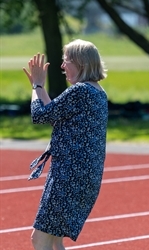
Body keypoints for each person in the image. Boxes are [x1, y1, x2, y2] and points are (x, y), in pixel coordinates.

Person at [23, 39, 108, 249]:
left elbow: (39, 115)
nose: (62, 66)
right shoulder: (97, 92)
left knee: (40, 238)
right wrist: (39, 87)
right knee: (54, 241)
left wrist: (37, 85)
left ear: (80, 62)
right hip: (84, 177)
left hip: (67, 177)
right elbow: (55, 115)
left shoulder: (79, 91)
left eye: (65, 60)